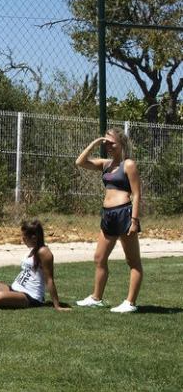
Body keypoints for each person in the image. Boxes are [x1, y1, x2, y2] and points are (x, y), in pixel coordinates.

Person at [74, 128, 142, 314]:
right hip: (108, 214)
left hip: (124, 214)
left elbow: (137, 194)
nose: (108, 146)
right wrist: (95, 143)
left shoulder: (128, 164)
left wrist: (134, 221)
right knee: (99, 258)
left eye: (112, 143)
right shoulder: (105, 164)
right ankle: (96, 298)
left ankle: (130, 302)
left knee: (133, 261)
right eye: (106, 143)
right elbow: (80, 162)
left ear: (121, 144)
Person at [0, 219, 70, 311]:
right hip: (14, 288)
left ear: (34, 238)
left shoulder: (44, 252)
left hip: (30, 296)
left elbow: (49, 279)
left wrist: (57, 305)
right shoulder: (32, 250)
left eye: (24, 237)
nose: (22, 240)